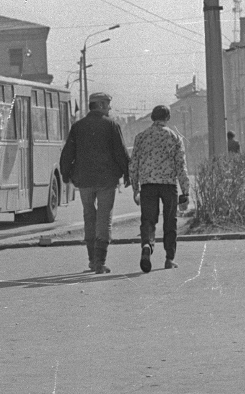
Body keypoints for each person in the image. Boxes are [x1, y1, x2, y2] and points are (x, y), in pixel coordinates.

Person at [59, 91, 130, 274]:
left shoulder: (78, 126)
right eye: (107, 104)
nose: (109, 108)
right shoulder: (111, 125)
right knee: (104, 219)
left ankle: (91, 260)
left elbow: (67, 153)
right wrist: (128, 174)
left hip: (84, 181)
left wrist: (66, 175)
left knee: (89, 217)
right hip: (107, 180)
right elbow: (121, 152)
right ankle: (100, 261)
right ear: (100, 105)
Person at [130, 105, 191, 272]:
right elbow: (181, 166)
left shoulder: (141, 137)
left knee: (148, 219)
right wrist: (185, 192)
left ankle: (147, 245)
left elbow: (133, 164)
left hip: (148, 184)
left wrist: (135, 188)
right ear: (168, 118)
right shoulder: (174, 137)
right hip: (169, 185)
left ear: (152, 117)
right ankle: (169, 258)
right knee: (170, 221)